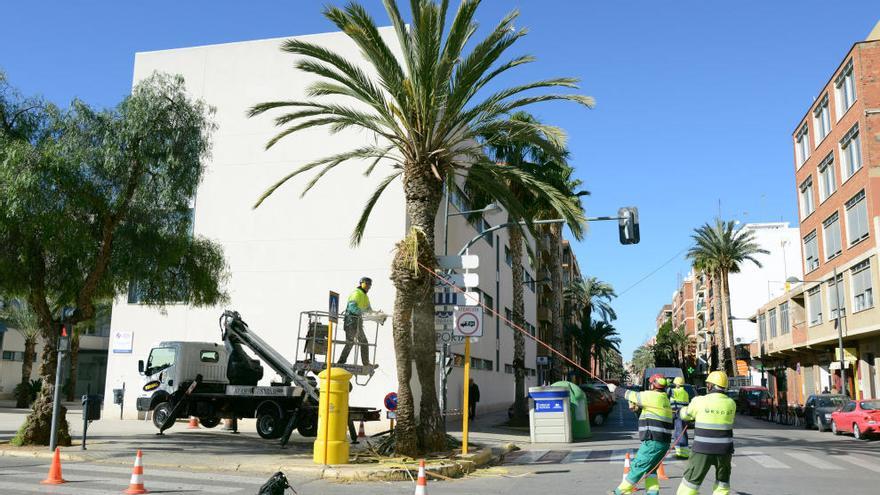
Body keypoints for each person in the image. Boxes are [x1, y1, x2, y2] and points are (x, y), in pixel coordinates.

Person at [608, 374, 673, 495]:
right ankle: (652, 493)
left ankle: (619, 492)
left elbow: (630, 394)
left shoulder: (651, 395)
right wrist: (637, 409)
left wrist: (615, 389)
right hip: (663, 443)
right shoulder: (664, 398)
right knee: (650, 470)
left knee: (637, 466)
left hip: (653, 441)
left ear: (652, 384)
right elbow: (649, 415)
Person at [674, 371, 736, 495]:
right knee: (722, 486)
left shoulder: (699, 401)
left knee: (688, 487)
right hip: (724, 451)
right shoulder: (731, 404)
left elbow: (685, 415)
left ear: (710, 386)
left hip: (702, 450)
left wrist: (679, 411)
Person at [338, 277, 373, 367]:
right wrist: (363, 313)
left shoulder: (365, 297)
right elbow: (352, 308)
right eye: (366, 284)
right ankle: (341, 362)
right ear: (361, 284)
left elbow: (369, 310)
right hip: (350, 323)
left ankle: (366, 363)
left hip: (357, 324)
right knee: (350, 342)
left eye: (369, 285)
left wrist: (377, 316)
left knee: (363, 342)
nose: (368, 286)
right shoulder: (356, 293)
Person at [669, 376, 691, 459]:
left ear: (677, 384)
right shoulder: (685, 393)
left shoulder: (675, 391)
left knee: (679, 432)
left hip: (677, 413)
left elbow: (667, 391)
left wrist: (667, 382)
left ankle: (682, 453)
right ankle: (680, 450)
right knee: (681, 432)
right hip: (683, 414)